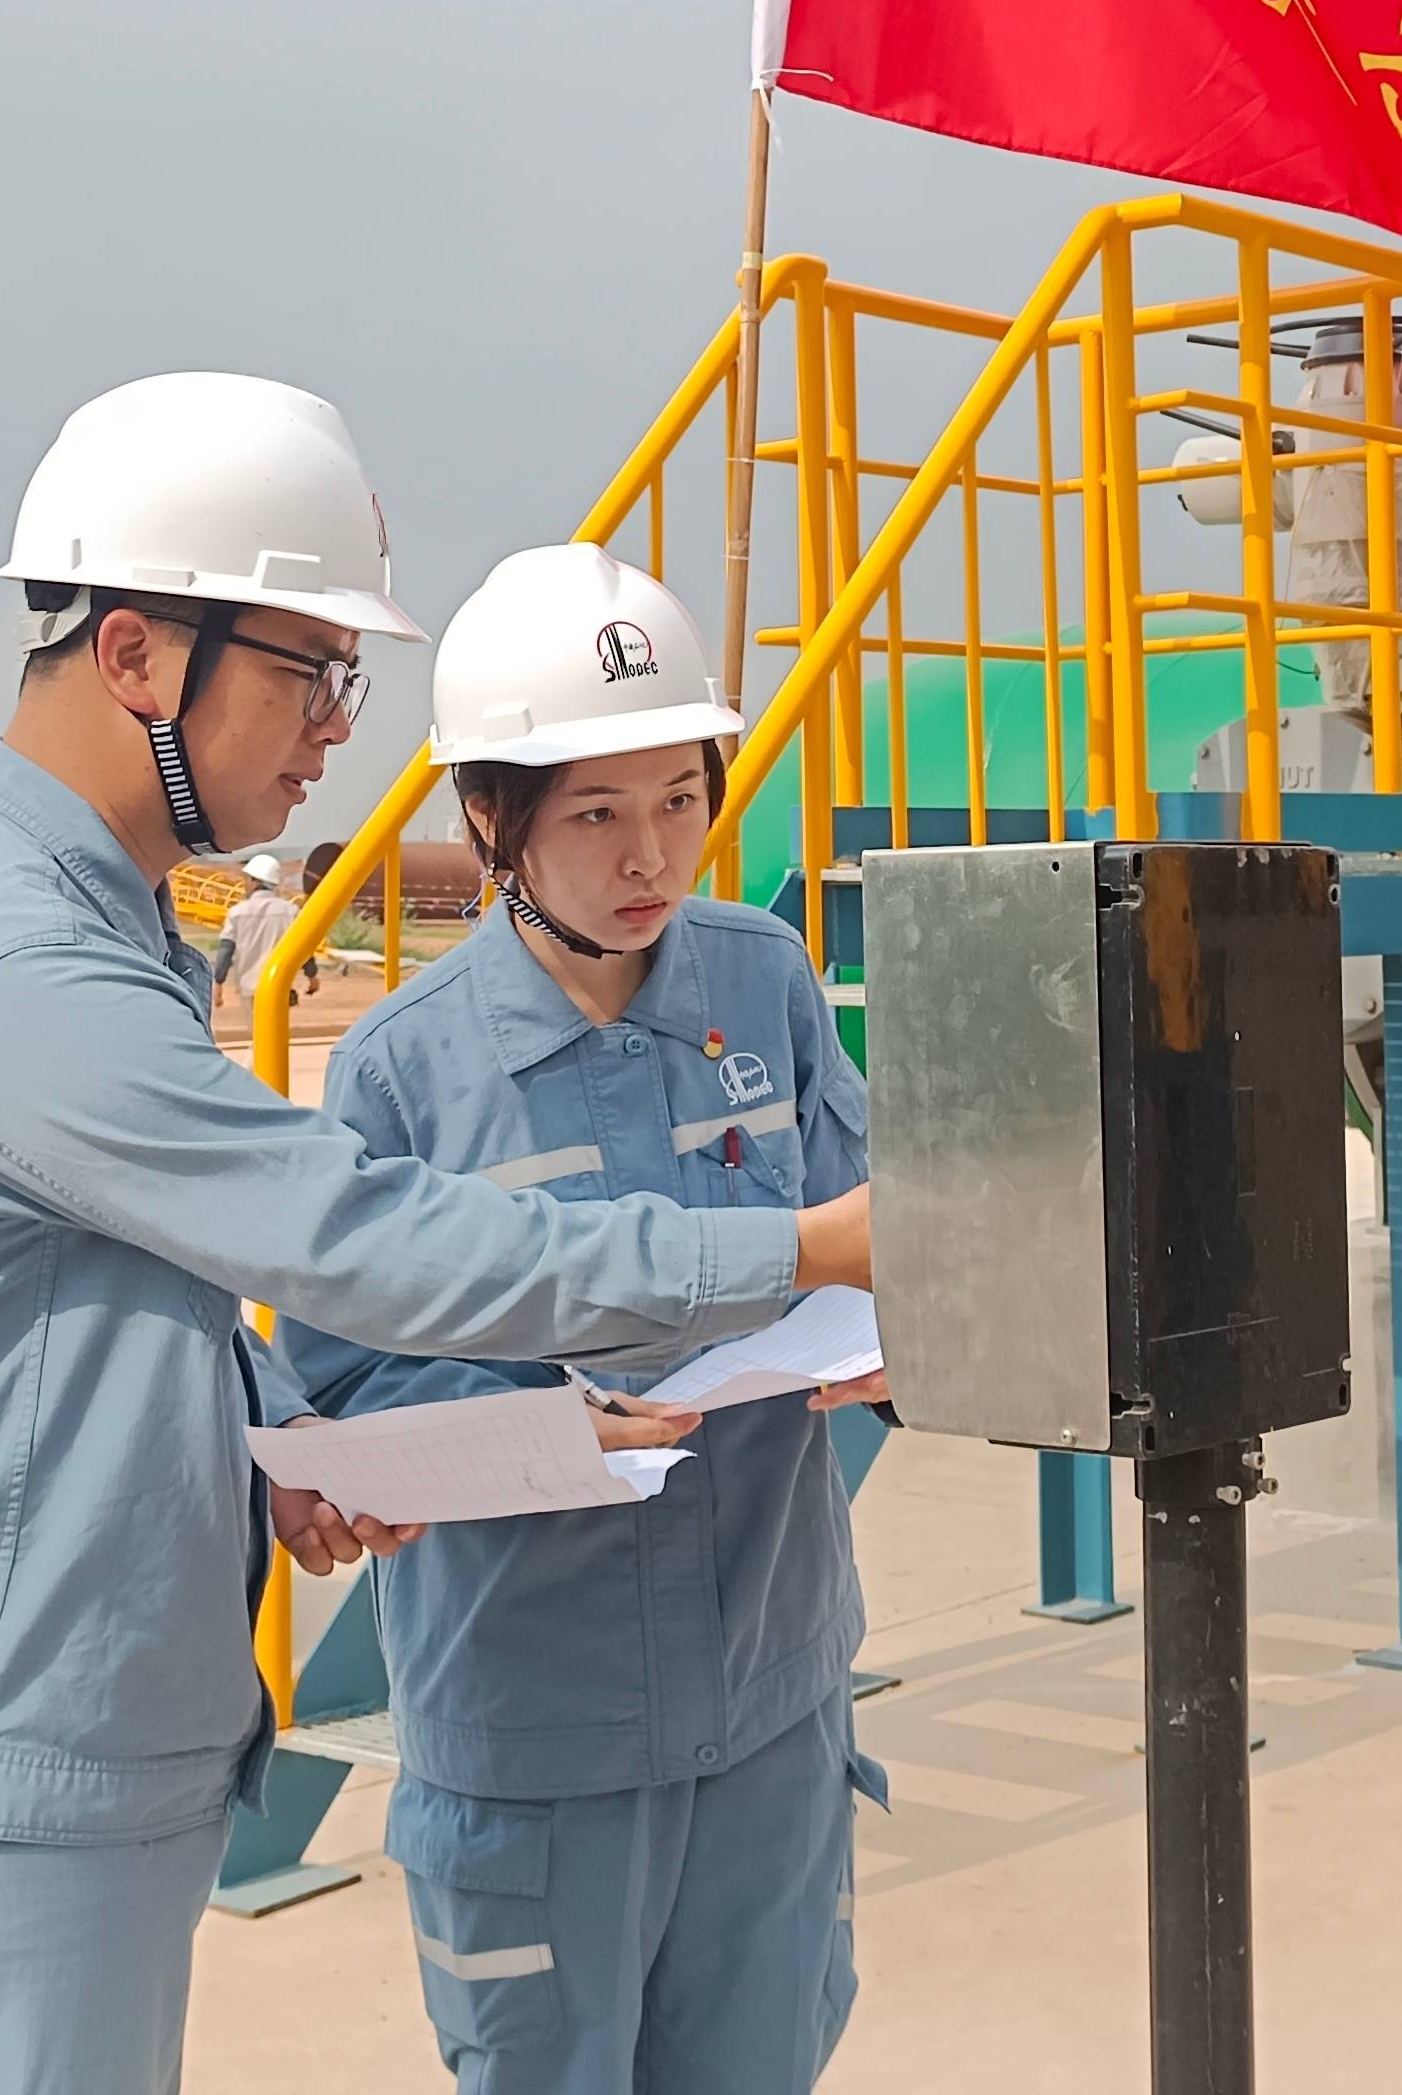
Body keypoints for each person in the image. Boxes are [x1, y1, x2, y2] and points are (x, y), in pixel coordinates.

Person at [0, 374, 872, 2095]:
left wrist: (257, 1459)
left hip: (48, 1758)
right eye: (306, 669)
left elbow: (79, 1335)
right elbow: (366, 1242)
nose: (339, 722)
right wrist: (803, 1251)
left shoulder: (95, 935)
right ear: (134, 654)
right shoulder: (19, 970)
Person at [285, 544, 889, 2094]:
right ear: (491, 820)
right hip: (539, 1736)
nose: (652, 856)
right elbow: (342, 1409)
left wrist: (897, 1342)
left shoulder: (764, 983)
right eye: (597, 815)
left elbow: (880, 1233)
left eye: (679, 799)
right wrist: (523, 1430)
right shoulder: (406, 1073)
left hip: (770, 1692)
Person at [212, 851, 307, 1019]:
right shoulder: (290, 911)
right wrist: (312, 975)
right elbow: (303, 947)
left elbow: (226, 949)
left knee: (258, 1036)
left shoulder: (237, 912)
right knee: (275, 1036)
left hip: (248, 985)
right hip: (280, 985)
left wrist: (218, 982)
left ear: (255, 881)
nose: (244, 884)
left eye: (247, 879)